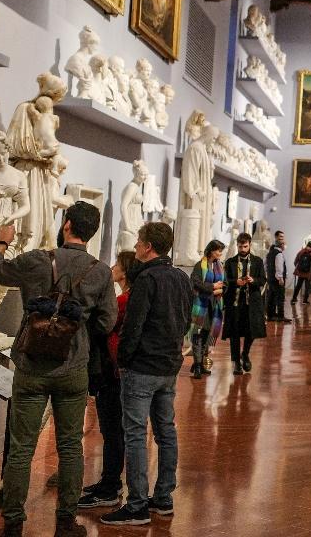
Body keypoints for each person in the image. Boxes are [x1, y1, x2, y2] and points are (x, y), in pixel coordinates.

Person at [0, 202, 116, 537]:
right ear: (92, 231)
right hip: (73, 367)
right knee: (70, 444)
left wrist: (2, 242)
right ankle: (66, 520)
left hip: (31, 365)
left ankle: (13, 520)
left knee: (22, 445)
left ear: (67, 224)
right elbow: (107, 321)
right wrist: (78, 326)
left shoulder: (38, 260)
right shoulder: (100, 271)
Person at [101, 222, 192, 526]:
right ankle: (163, 498)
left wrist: (123, 359)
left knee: (136, 434)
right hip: (168, 365)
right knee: (166, 431)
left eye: (139, 242)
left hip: (142, 367)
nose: (137, 247)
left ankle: (137, 503)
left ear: (149, 246)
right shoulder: (181, 277)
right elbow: (185, 321)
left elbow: (133, 325)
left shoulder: (146, 278)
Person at [79, 252, 137, 511]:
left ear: (124, 272)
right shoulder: (125, 297)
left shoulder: (124, 300)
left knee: (113, 431)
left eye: (117, 264)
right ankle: (108, 481)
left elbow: (104, 324)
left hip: (112, 372)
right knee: (112, 431)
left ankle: (111, 486)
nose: (112, 267)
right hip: (115, 370)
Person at [223, 233, 268, 374]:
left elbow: (263, 279)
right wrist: (235, 282)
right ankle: (236, 362)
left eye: (245, 246)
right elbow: (225, 281)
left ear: (250, 245)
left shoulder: (257, 261)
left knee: (252, 331)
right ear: (237, 245)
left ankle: (245, 353)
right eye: (240, 246)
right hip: (235, 303)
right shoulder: (230, 262)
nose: (242, 249)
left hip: (252, 302)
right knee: (235, 333)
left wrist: (252, 280)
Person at [187, 241, 225, 379]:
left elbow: (223, 283)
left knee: (207, 335)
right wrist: (213, 287)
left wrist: (221, 289)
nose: (220, 253)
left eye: (221, 251)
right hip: (201, 305)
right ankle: (197, 365)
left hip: (213, 306)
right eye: (218, 250)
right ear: (211, 251)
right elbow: (195, 282)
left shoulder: (219, 265)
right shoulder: (200, 265)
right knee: (198, 335)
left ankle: (202, 363)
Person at [265, 230, 289, 321]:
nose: (284, 243)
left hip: (271, 279)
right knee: (280, 297)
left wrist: (268, 274)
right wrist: (280, 278)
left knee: (271, 297)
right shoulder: (278, 254)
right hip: (277, 280)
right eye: (281, 238)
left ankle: (270, 315)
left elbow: (265, 265)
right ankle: (280, 316)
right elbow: (279, 267)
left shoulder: (270, 253)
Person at [290, 238, 311, 306]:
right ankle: (305, 301)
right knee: (307, 287)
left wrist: (298, 269)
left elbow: (295, 261)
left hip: (300, 273)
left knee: (298, 286)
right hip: (308, 274)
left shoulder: (301, 251)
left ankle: (294, 299)